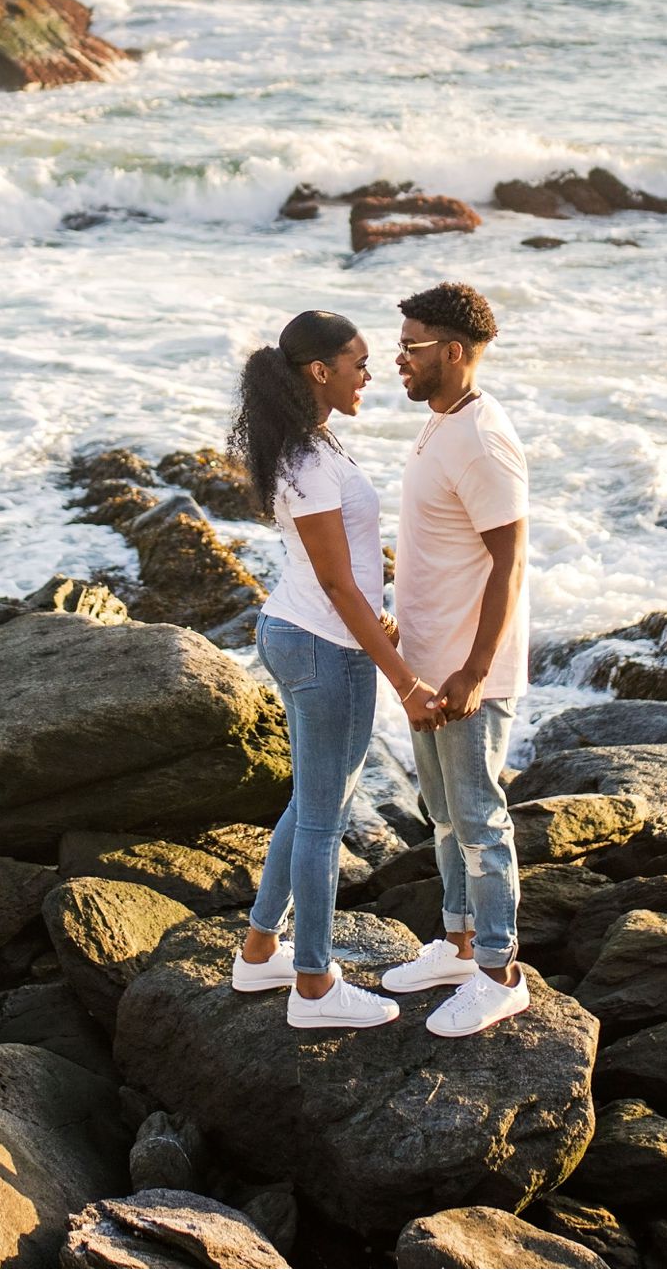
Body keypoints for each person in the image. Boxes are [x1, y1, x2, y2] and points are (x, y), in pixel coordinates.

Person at [226, 308, 449, 1029]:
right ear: (318, 370)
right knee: (323, 819)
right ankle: (315, 987)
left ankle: (262, 950)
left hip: (301, 631)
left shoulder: (309, 444)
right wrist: (404, 678)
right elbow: (336, 583)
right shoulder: (306, 458)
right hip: (322, 642)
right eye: (357, 361)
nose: (370, 372)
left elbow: (342, 573)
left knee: (308, 804)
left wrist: (379, 615)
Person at [375, 279, 534, 1035]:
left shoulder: (481, 437)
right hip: (428, 666)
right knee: (440, 815)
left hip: (470, 673)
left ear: (452, 351)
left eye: (408, 346)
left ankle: (500, 971)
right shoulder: (441, 422)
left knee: (477, 819)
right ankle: (457, 942)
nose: (394, 358)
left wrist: (474, 668)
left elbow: (509, 561)